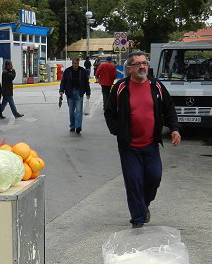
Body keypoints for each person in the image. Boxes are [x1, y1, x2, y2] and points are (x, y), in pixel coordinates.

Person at [104, 52, 181, 228]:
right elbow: (109, 112)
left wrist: (175, 129)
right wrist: (117, 130)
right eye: (138, 64)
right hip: (129, 146)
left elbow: (169, 108)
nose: (142, 67)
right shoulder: (121, 88)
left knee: (154, 178)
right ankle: (138, 220)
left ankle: (143, 205)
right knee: (134, 181)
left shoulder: (156, 86)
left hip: (151, 144)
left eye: (144, 63)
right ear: (129, 68)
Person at [59, 57, 91, 134]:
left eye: (77, 63)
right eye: (74, 63)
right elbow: (63, 82)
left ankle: (78, 126)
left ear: (78, 63)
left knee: (79, 110)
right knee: (71, 111)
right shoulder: (67, 71)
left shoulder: (82, 71)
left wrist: (88, 92)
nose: (75, 65)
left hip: (79, 92)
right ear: (72, 63)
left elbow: (86, 82)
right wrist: (61, 91)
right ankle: (72, 125)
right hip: (70, 93)